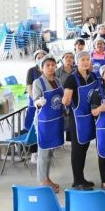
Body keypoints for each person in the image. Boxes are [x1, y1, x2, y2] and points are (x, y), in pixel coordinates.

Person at [61, 51, 99, 190]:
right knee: (77, 151)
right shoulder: (71, 79)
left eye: (87, 59)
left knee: (84, 148)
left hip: (89, 118)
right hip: (77, 120)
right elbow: (66, 100)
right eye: (82, 59)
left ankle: (81, 178)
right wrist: (65, 100)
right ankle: (77, 181)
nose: (85, 62)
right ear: (77, 62)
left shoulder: (92, 76)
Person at [32, 55, 63, 192]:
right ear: (41, 68)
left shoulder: (57, 80)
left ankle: (47, 178)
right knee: (43, 152)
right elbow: (35, 100)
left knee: (50, 153)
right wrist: (39, 102)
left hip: (56, 120)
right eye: (47, 65)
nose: (51, 68)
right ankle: (43, 181)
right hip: (43, 123)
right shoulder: (38, 82)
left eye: (53, 65)